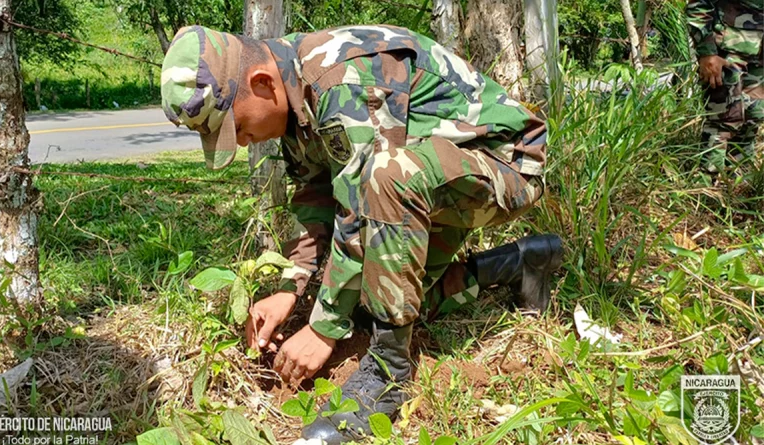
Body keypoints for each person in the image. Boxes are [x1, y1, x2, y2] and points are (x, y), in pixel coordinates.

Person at [160, 24, 563, 443]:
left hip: (506, 164)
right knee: (381, 302)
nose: (243, 142)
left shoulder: (335, 77)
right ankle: (523, 263)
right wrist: (289, 288)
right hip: (437, 171)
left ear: (261, 83)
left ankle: (390, 373)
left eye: (238, 127)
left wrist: (321, 329)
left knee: (388, 178)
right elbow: (315, 199)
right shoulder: (295, 100)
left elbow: (361, 207)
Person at [686, 0, 763, 174]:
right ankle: (706, 187)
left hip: (759, 55)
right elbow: (699, 3)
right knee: (723, 121)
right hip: (727, 51)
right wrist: (707, 52)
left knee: (754, 116)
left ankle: (738, 185)